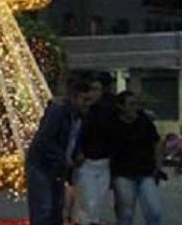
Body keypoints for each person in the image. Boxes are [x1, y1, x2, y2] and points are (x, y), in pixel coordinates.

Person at [26, 79, 95, 225]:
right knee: (44, 208)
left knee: (56, 209)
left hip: (57, 166)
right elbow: (45, 140)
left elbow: (73, 139)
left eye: (90, 100)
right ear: (74, 97)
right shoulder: (58, 112)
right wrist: (64, 158)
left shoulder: (80, 117)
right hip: (42, 165)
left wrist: (76, 154)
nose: (88, 104)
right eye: (85, 99)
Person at [109, 91, 162, 225]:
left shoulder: (144, 121)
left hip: (145, 172)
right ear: (121, 107)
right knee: (125, 213)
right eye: (131, 104)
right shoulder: (113, 124)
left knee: (154, 210)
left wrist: (158, 166)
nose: (135, 108)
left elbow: (156, 142)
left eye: (136, 104)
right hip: (122, 173)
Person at [73, 76, 114, 225]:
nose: (93, 94)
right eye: (91, 89)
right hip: (86, 162)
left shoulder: (108, 111)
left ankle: (91, 221)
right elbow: (74, 135)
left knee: (99, 199)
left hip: (104, 162)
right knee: (90, 200)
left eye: (97, 90)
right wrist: (77, 153)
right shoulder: (81, 111)